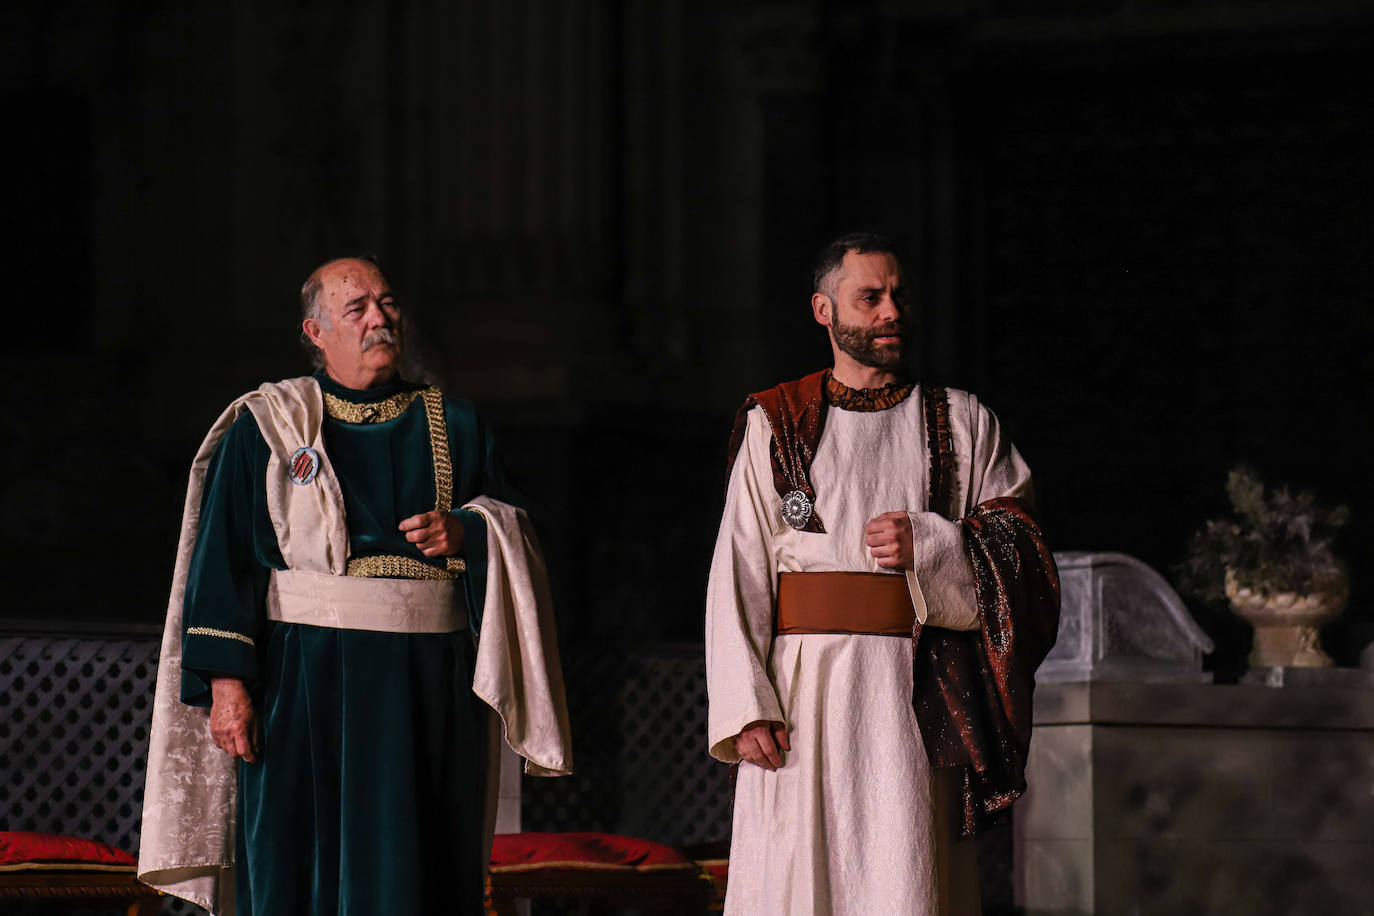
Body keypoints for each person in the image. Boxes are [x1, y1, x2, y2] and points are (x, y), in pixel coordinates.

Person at [139, 256, 572, 915]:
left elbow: (520, 530)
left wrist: (468, 532)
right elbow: (224, 557)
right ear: (315, 332)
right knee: (299, 861)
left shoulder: (457, 424)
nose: (379, 318)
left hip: (427, 686)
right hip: (303, 682)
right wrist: (227, 687)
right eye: (358, 308)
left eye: (387, 303)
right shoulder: (269, 426)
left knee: (419, 862)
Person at [705, 233, 1060, 915]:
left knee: (904, 874)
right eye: (870, 298)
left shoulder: (963, 420)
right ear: (823, 310)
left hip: (915, 691)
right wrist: (746, 706)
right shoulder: (774, 421)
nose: (891, 311)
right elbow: (740, 568)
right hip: (803, 693)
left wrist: (935, 546)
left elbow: (1025, 553)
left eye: (897, 295)